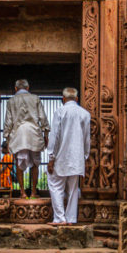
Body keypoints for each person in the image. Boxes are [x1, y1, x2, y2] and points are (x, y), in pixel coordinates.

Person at [47, 88, 91, 226]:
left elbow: (55, 136)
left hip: (61, 156)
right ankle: (71, 219)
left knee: (55, 185)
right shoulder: (85, 114)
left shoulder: (60, 112)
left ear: (63, 99)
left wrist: (51, 157)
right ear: (77, 99)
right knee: (72, 189)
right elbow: (86, 138)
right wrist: (84, 155)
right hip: (77, 157)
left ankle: (60, 218)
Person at [2, 79, 50, 197]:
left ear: (16, 89)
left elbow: (8, 121)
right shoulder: (35, 98)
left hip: (19, 134)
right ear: (28, 88)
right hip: (34, 133)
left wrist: (7, 137)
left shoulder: (11, 101)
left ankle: (22, 192)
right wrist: (46, 134)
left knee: (19, 163)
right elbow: (42, 117)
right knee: (35, 164)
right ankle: (33, 192)